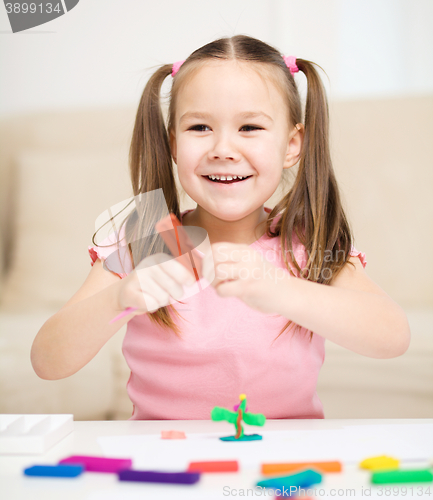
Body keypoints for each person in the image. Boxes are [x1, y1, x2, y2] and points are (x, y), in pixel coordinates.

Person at [31, 35, 410, 420]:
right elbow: (48, 362)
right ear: (174, 144)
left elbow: (393, 337)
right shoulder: (150, 235)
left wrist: (283, 290)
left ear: (292, 144)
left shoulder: (307, 240)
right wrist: (118, 298)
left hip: (285, 464)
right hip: (165, 460)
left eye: (249, 127)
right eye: (199, 127)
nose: (223, 149)